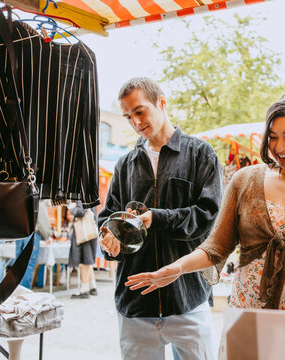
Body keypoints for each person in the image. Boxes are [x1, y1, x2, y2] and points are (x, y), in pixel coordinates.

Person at [126, 90, 285, 312]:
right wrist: (177, 268)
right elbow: (217, 246)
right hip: (245, 311)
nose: (279, 147)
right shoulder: (244, 180)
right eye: (272, 137)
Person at [98, 77, 222, 360]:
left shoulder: (200, 154)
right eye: (128, 116)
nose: (135, 121)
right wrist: (109, 238)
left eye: (140, 111)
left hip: (187, 298)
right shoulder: (125, 164)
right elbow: (107, 218)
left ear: (162, 102)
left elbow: (207, 218)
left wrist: (156, 218)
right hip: (135, 303)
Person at [14, 200, 52, 289]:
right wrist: (48, 235)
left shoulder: (19, 194)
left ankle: (17, 290)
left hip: (19, 233)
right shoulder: (39, 197)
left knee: (19, 264)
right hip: (31, 233)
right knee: (28, 263)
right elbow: (42, 221)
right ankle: (24, 292)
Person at [68, 201, 98, 299]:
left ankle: (84, 289)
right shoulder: (90, 192)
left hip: (84, 232)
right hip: (90, 230)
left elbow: (81, 211)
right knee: (88, 260)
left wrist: (71, 209)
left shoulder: (81, 194)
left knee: (85, 261)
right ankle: (92, 286)